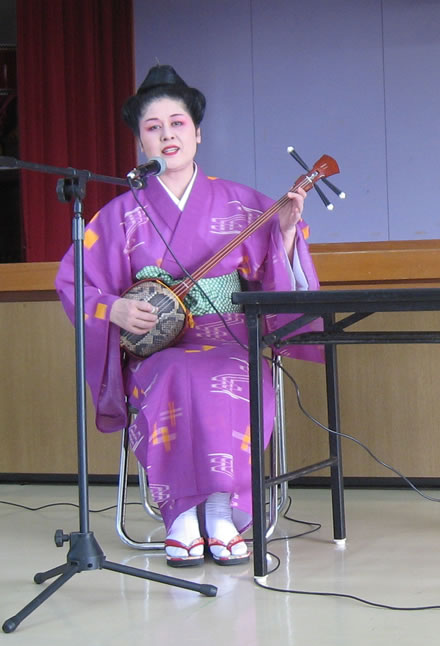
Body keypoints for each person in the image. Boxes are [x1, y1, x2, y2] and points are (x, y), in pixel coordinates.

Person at [56, 65, 322, 567]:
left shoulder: (246, 205)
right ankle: (180, 516)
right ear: (140, 143)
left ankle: (221, 511)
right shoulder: (117, 214)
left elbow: (277, 271)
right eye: (153, 127)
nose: (167, 135)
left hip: (231, 339)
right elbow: (74, 280)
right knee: (174, 371)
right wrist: (114, 307)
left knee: (227, 373)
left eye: (177, 123)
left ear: (197, 132)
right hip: (159, 348)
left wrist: (285, 232)